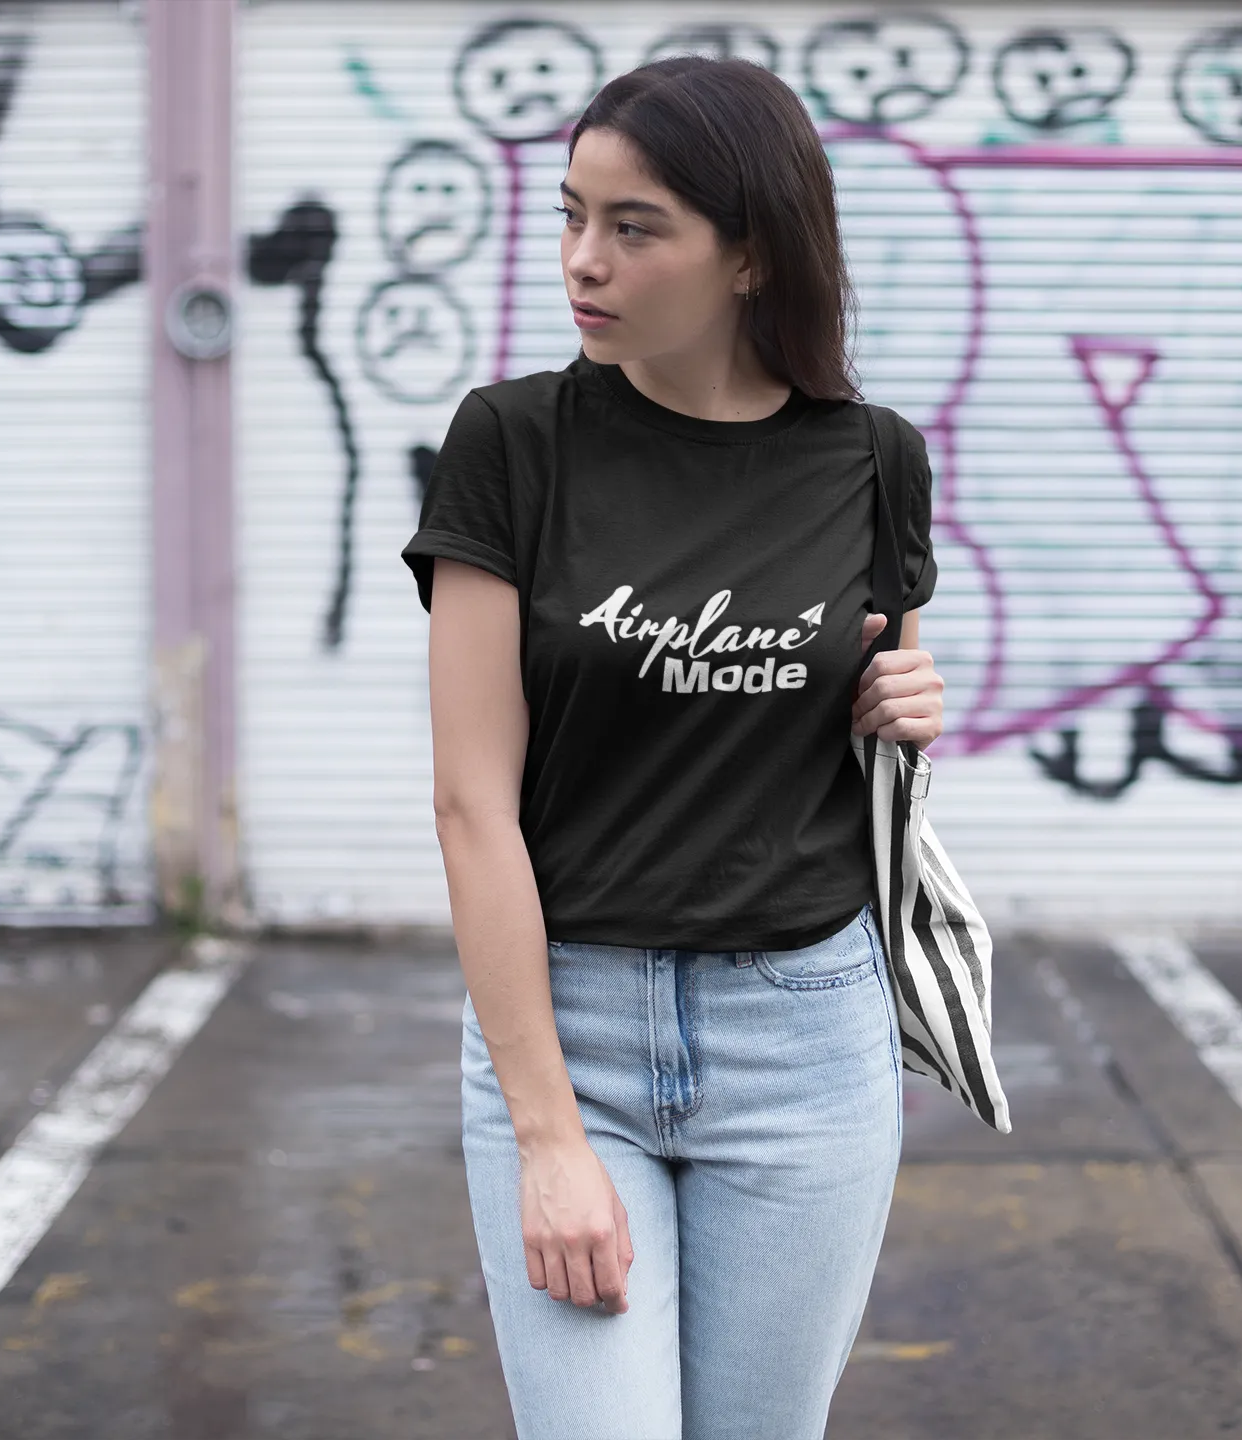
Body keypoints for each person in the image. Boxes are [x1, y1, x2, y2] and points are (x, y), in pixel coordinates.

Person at [401, 54, 943, 1440]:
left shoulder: (872, 459)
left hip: (806, 1038)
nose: (584, 260)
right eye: (573, 216)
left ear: (752, 252)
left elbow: (856, 708)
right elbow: (473, 805)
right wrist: (546, 1136)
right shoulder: (513, 444)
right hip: (571, 1030)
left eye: (634, 228)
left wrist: (908, 708)